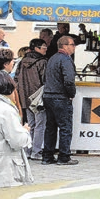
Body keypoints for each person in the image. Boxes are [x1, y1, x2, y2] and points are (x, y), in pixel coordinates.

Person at [41, 35, 78, 166]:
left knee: (50, 128)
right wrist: (71, 93)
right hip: (60, 97)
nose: (74, 47)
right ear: (65, 46)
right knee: (65, 127)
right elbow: (69, 80)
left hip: (48, 96)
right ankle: (64, 156)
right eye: (72, 45)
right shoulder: (66, 59)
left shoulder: (52, 58)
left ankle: (47, 156)